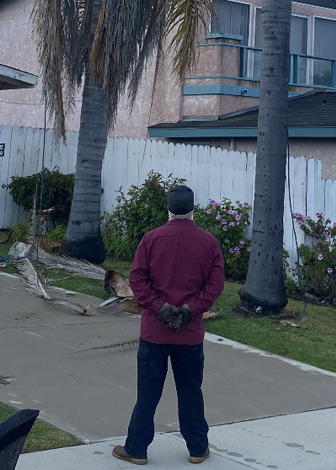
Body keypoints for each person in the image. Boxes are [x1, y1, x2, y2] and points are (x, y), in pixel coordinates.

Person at [113, 185, 225, 466]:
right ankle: (198, 448)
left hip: (155, 332)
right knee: (190, 391)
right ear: (193, 209)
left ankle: (137, 449)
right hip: (189, 334)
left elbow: (137, 280)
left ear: (169, 209)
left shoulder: (151, 239)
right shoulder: (209, 243)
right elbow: (216, 285)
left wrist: (160, 308)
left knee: (148, 393)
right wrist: (190, 310)